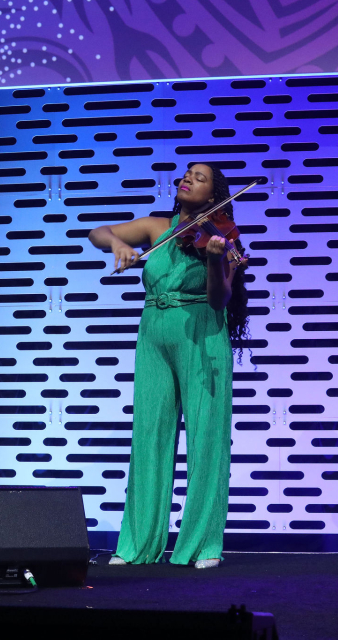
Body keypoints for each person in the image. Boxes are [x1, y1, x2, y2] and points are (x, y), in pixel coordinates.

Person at [87, 163, 250, 569]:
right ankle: (137, 544)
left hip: (201, 334)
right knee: (149, 435)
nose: (188, 179)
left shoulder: (221, 237)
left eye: (200, 177)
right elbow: (98, 232)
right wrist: (116, 246)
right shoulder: (157, 227)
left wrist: (214, 260)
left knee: (206, 439)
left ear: (214, 196)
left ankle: (202, 544)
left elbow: (218, 300)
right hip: (153, 334)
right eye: (187, 173)